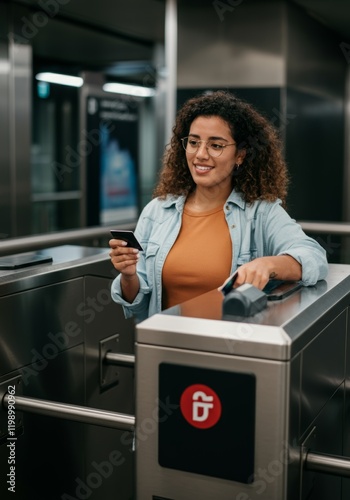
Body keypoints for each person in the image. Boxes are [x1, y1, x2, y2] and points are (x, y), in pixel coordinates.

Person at [109, 90, 328, 323]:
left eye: (216, 145)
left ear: (240, 155)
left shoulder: (261, 213)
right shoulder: (157, 211)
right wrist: (129, 276)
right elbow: (136, 307)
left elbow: (314, 257)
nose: (200, 154)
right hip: (166, 346)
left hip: (229, 349)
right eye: (193, 142)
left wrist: (269, 264)